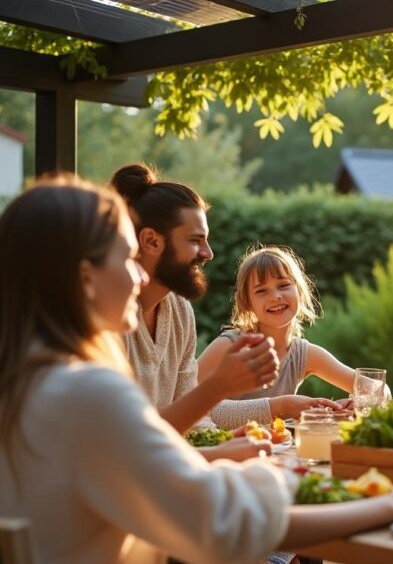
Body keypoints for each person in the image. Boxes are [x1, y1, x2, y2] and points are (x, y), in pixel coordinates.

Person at [0, 176, 393, 564]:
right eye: (126, 257)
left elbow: (131, 468)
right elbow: (222, 531)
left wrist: (245, 462)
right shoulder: (84, 391)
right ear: (86, 277)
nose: (139, 273)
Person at [110, 165, 338, 447]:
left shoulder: (179, 311)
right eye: (196, 241)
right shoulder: (109, 320)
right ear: (151, 241)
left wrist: (226, 440)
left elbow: (194, 419)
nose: (209, 253)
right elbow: (127, 444)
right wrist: (222, 389)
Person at [198, 246, 358, 428]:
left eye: (283, 285)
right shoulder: (229, 346)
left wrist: (354, 404)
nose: (275, 296)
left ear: (299, 290)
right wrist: (281, 407)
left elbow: (376, 388)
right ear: (247, 302)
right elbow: (189, 405)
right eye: (261, 291)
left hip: (271, 451)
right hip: (216, 451)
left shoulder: (303, 354)